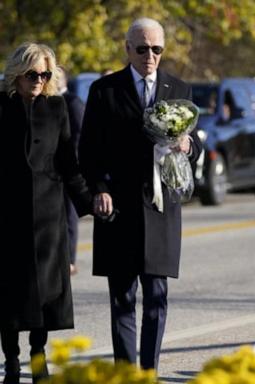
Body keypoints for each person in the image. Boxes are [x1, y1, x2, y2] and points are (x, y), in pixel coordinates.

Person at [79, 17, 202, 370]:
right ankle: (125, 373)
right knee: (122, 299)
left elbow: (195, 146)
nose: (150, 55)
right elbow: (88, 152)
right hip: (118, 209)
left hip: (161, 208)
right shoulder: (104, 91)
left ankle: (149, 372)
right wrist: (99, 190)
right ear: (127, 49)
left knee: (157, 298)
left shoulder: (179, 89)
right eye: (143, 48)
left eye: (157, 49)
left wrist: (186, 143)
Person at [0, 42, 92, 384]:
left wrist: (89, 201)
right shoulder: (1, 106)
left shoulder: (57, 108)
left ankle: (38, 358)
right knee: (9, 295)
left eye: (45, 74)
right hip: (7, 217)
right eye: (32, 74)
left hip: (48, 217)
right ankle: (11, 360)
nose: (38, 80)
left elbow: (69, 163)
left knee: (43, 296)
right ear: (17, 74)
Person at [57, 67, 86, 275]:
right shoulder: (47, 101)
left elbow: (79, 136)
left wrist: (73, 163)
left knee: (69, 214)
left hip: (70, 167)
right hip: (52, 170)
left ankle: (69, 259)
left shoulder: (72, 102)